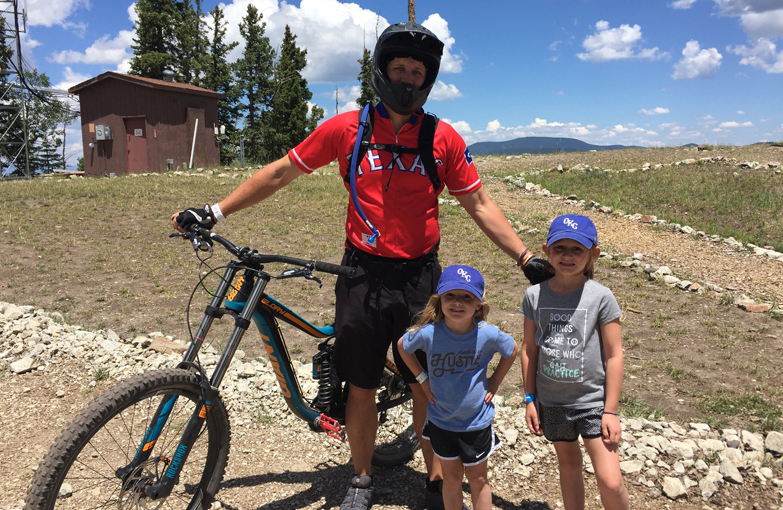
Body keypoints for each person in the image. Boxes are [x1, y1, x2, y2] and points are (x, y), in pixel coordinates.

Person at [173, 21, 550, 510]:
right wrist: (216, 210)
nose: (409, 79)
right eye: (400, 68)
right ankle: (362, 477)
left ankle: (437, 477)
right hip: (362, 275)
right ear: (381, 70)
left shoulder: (442, 138)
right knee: (361, 383)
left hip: (419, 277)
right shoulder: (348, 129)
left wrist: (524, 257)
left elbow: (478, 203)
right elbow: (282, 171)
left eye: (419, 72)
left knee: (426, 382)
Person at [520, 214, 629, 510]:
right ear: (546, 250)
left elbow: (614, 354)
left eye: (577, 250)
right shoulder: (533, 296)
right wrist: (530, 398)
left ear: (594, 253)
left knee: (610, 480)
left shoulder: (601, 297)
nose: (567, 257)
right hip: (552, 402)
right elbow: (529, 349)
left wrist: (611, 410)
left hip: (593, 403)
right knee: (568, 466)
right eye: (560, 249)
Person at [397, 264, 518, 510]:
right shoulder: (429, 333)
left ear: (478, 306)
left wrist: (494, 381)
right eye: (450, 296)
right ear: (439, 300)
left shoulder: (487, 334)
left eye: (466, 297)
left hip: (476, 423)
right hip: (441, 422)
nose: (457, 303)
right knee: (451, 479)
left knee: (478, 480)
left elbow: (512, 349)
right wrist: (423, 379)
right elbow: (402, 345)